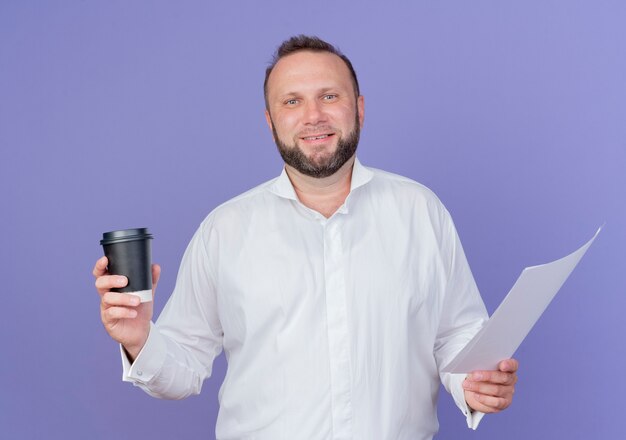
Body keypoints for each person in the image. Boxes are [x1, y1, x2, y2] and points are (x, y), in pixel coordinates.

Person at [93, 35, 518, 440]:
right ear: (270, 120)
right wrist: (139, 340)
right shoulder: (225, 230)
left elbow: (456, 333)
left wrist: (473, 384)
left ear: (360, 108)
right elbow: (182, 370)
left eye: (329, 96)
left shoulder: (421, 212)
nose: (313, 116)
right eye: (292, 101)